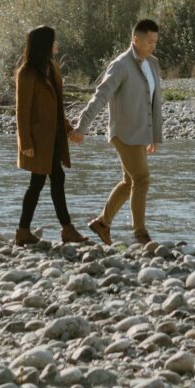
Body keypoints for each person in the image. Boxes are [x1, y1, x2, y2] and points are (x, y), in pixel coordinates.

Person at [74, 17, 163, 245]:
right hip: (124, 134)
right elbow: (101, 96)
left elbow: (154, 101)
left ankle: (102, 223)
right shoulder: (121, 65)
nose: (153, 45)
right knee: (142, 179)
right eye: (149, 41)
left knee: (129, 181)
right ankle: (140, 234)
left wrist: (153, 136)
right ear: (135, 39)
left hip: (141, 133)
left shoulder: (152, 63)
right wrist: (82, 127)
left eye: (155, 41)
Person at [11, 25, 87, 247]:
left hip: (53, 137)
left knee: (46, 181)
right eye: (54, 41)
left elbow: (56, 106)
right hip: (37, 139)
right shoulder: (26, 73)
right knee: (43, 181)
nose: (57, 45)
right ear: (45, 44)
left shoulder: (50, 68)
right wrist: (25, 142)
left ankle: (27, 231)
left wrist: (67, 128)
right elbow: (21, 110)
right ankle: (64, 230)